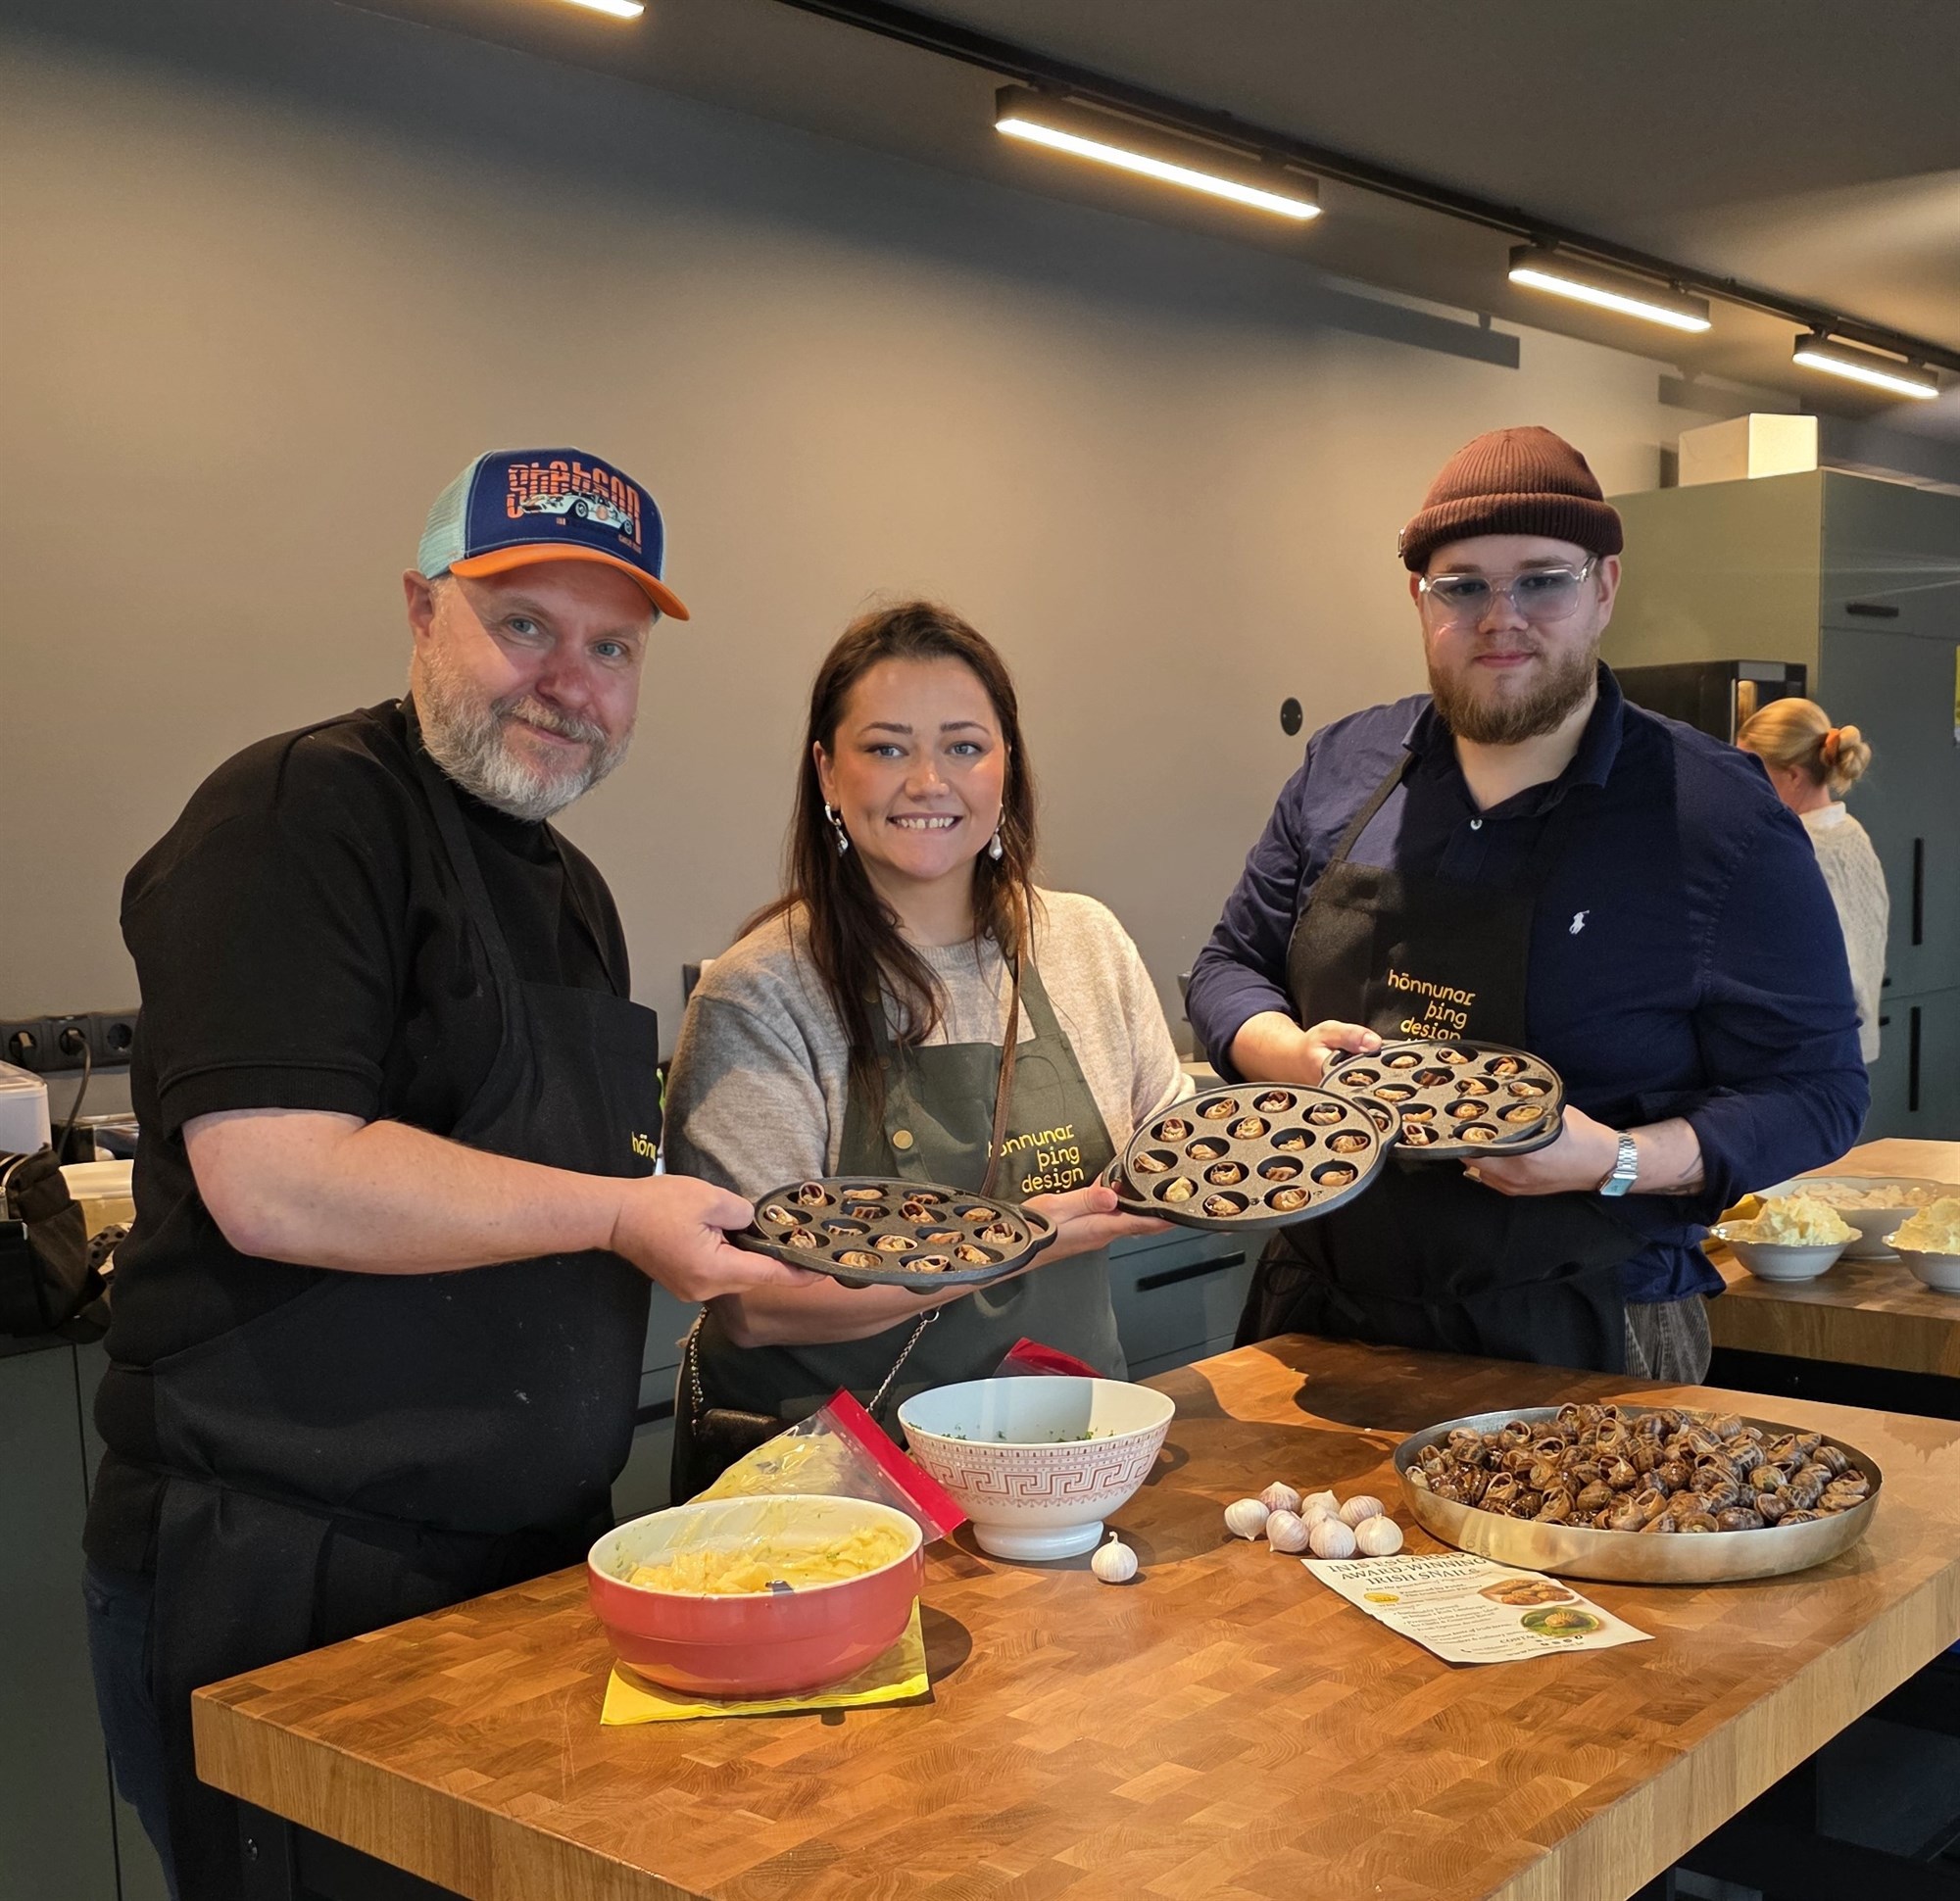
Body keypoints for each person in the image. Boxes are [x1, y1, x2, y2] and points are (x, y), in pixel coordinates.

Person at [82, 448, 808, 1901]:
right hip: (292, 1578)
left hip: (520, 1564)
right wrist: (621, 1214)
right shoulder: (300, 811)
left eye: (612, 648)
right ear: (422, 611)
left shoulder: (571, 891)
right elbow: (276, 1177)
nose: (568, 681)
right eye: (522, 624)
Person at [1186, 426, 1868, 1382]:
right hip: (1317, 1317)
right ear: (1418, 598)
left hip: (1585, 1329)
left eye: (1541, 581)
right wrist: (1288, 1054)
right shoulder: (1343, 768)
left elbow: (1817, 1091)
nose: (1499, 618)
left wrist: (1616, 1157)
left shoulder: (1719, 817)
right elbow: (1228, 967)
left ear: (1604, 588)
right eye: (1461, 586)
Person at [662, 601, 1182, 1493]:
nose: (929, 782)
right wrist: (1027, 1238)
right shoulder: (762, 993)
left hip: (1069, 1454)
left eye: (965, 746)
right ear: (827, 772)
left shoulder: (1087, 945)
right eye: (887, 748)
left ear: (1007, 765)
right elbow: (755, 1303)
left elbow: (1169, 1157)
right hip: (837, 1486)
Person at [1739, 699, 1888, 1064]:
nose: (1740, 782)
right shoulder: (1851, 832)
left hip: (1809, 1056)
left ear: (1793, 776)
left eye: (1750, 769)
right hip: (1850, 1049)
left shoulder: (1792, 849)